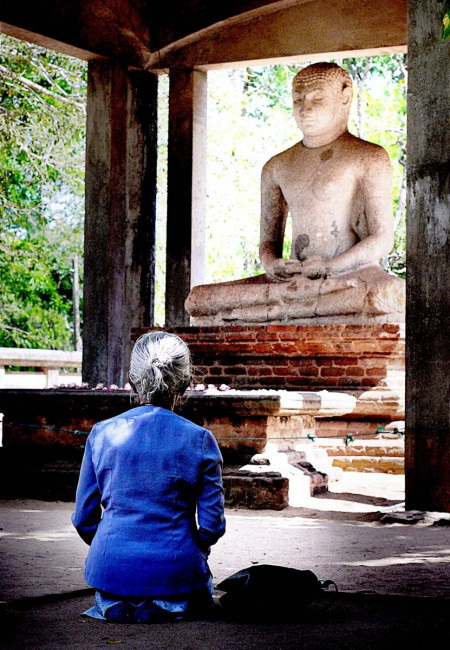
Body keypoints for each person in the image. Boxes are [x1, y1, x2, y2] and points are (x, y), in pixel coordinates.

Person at [185, 62, 404, 324]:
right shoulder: (277, 166)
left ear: (345, 97)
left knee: (387, 294)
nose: (305, 109)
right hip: (292, 281)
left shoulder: (368, 157)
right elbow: (269, 243)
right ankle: (298, 305)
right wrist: (274, 265)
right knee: (200, 299)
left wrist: (329, 268)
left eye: (317, 99)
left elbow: (382, 238)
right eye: (298, 100)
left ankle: (284, 309)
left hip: (349, 275)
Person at [72, 331, 226, 623]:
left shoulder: (101, 433)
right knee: (195, 590)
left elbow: (84, 519)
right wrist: (193, 548)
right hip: (176, 566)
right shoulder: (200, 439)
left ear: (131, 380)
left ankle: (114, 603)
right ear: (186, 383)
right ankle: (168, 605)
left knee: (112, 592)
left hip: (110, 568)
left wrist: (117, 547)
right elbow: (212, 525)